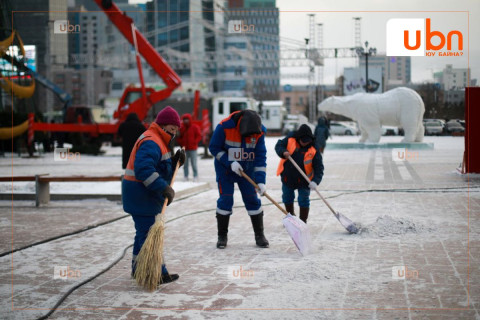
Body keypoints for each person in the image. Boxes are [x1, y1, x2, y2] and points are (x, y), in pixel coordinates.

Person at [122, 106, 186, 284]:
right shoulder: (152, 140)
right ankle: (156, 273)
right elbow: (144, 171)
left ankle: (138, 269)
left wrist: (174, 163)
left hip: (143, 196)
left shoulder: (159, 139)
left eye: (176, 130)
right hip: (141, 196)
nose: (174, 133)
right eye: (172, 129)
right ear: (164, 125)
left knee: (142, 233)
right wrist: (162, 188)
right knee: (150, 236)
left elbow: (160, 168)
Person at [209, 110, 269, 249]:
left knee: (252, 200)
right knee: (226, 199)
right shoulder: (224, 127)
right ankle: (222, 236)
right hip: (225, 170)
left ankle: (259, 235)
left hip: (246, 170)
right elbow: (214, 148)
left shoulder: (259, 132)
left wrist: (260, 181)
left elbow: (260, 157)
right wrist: (230, 162)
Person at [275, 124, 324, 223]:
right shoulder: (290, 139)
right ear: (298, 138)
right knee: (287, 197)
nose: (305, 143)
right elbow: (279, 145)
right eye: (303, 141)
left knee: (303, 199)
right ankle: (290, 218)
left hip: (304, 180)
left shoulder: (314, 149)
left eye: (308, 141)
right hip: (288, 177)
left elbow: (319, 168)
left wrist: (315, 181)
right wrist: (283, 151)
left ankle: (302, 221)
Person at [177, 113, 202, 181]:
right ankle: (186, 176)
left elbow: (199, 136)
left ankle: (195, 176)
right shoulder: (182, 128)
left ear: (189, 119)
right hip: (185, 149)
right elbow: (179, 137)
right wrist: (181, 143)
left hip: (193, 149)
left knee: (194, 163)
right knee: (185, 164)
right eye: (184, 119)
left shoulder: (194, 127)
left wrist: (194, 142)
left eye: (187, 119)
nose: (186, 121)